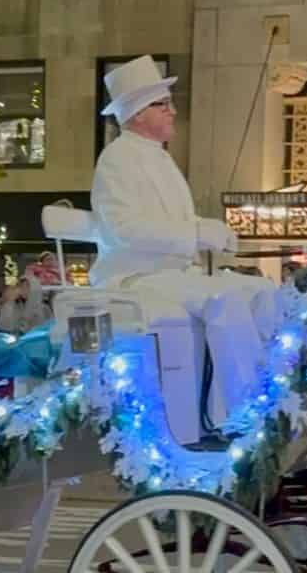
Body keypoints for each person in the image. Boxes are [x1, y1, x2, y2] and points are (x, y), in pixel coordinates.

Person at [89, 54, 279, 423]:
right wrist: (194, 233)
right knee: (223, 300)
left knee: (263, 292)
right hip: (136, 277)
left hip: (173, 274)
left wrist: (210, 232)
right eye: (163, 104)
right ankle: (238, 415)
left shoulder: (159, 158)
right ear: (139, 112)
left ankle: (260, 397)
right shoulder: (117, 160)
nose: (173, 111)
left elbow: (177, 220)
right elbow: (125, 229)